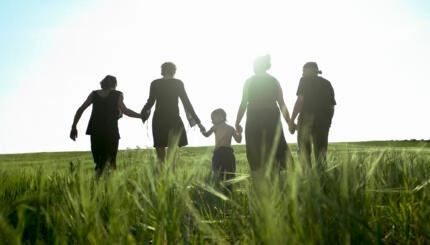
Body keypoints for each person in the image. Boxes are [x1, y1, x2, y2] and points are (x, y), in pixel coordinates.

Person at [70, 75, 142, 177]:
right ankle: (112, 189)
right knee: (112, 163)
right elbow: (125, 111)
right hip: (111, 132)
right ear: (115, 84)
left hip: (95, 131)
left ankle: (97, 188)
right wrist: (140, 116)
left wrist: (74, 126)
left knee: (99, 164)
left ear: (102, 83)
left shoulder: (94, 94)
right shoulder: (118, 94)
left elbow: (81, 109)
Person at [235, 55, 294, 175]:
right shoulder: (274, 81)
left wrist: (237, 122)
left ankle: (259, 179)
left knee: (254, 147)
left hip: (254, 116)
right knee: (277, 145)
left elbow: (243, 103)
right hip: (271, 115)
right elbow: (282, 103)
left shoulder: (249, 81)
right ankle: (281, 176)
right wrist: (289, 123)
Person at [141, 62, 205, 166]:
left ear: (162, 70)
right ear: (174, 71)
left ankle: (162, 179)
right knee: (172, 156)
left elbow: (150, 102)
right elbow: (186, 103)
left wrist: (142, 114)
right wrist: (198, 122)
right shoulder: (178, 83)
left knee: (160, 156)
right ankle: (171, 178)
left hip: (159, 120)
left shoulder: (155, 83)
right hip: (173, 119)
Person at [290, 62, 336, 171]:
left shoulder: (304, 81)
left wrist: (291, 120)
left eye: (304, 71)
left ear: (311, 70)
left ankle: (307, 180)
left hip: (306, 120)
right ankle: (322, 181)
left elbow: (300, 101)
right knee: (321, 154)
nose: (302, 73)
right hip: (323, 122)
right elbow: (331, 107)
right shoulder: (327, 83)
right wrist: (328, 122)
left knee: (304, 152)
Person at [201, 108, 242, 194]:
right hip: (220, 153)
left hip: (226, 153)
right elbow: (206, 135)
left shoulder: (229, 128)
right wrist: (203, 130)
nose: (214, 119)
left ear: (223, 116)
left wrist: (240, 132)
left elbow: (238, 140)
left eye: (216, 116)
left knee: (228, 173)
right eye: (213, 117)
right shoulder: (217, 127)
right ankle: (221, 191)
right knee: (219, 172)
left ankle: (227, 191)